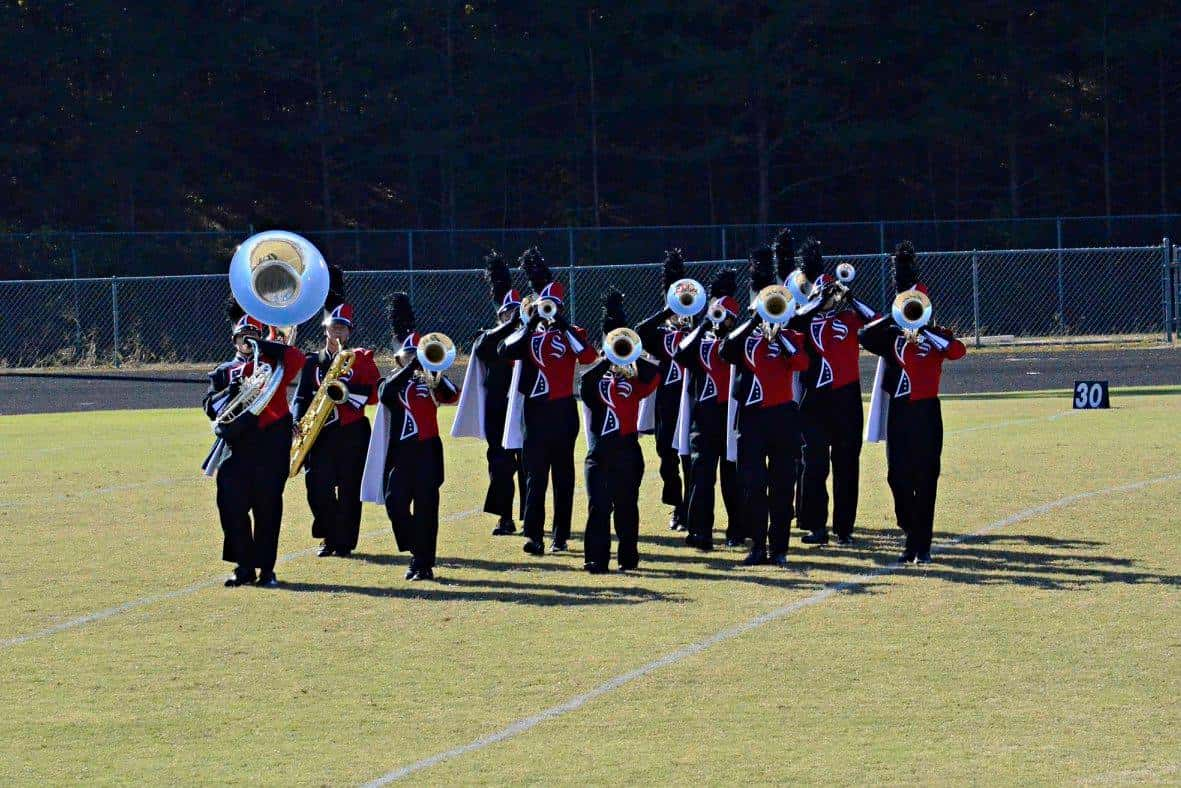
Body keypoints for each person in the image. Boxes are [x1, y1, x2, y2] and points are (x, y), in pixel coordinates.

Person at [858, 242, 966, 564]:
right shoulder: (892, 340)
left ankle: (921, 545)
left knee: (927, 478)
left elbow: (958, 350)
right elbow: (864, 336)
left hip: (928, 413)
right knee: (897, 476)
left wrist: (927, 331)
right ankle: (910, 527)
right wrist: (893, 321)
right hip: (901, 412)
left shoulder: (937, 338)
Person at [497, 248, 597, 557]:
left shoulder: (573, 333)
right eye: (545, 305)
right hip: (536, 412)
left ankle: (560, 535)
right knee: (535, 475)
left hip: (564, 409)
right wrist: (530, 322)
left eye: (553, 305)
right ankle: (534, 535)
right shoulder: (527, 334)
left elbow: (588, 356)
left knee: (563, 476)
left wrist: (562, 323)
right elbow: (504, 351)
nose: (548, 309)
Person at [201, 298, 306, 588]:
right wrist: (229, 393)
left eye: (252, 336)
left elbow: (297, 358)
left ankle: (266, 570)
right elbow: (209, 406)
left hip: (272, 441)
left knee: (268, 507)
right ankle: (243, 565)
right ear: (233, 339)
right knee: (230, 503)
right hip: (238, 444)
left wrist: (266, 346)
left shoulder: (277, 362)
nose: (246, 341)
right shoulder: (223, 371)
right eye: (242, 336)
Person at [720, 247, 809, 566]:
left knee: (782, 486)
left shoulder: (793, 337)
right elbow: (724, 351)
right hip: (753, 418)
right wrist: (754, 321)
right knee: (753, 485)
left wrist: (780, 335)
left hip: (783, 417)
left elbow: (801, 362)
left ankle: (779, 548)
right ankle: (757, 546)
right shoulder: (745, 339)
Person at [362, 293, 460, 581]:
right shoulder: (391, 381)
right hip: (402, 453)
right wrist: (409, 367)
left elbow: (452, 396)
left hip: (428, 451)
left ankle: (422, 563)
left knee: (427, 507)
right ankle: (416, 548)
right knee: (395, 501)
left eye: (416, 354)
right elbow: (384, 394)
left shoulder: (430, 379)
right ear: (399, 357)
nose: (414, 359)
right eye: (409, 355)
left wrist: (434, 371)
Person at [788, 238, 878, 546]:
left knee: (846, 464)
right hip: (815, 400)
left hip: (847, 398)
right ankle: (816, 526)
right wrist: (818, 299)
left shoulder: (849, 318)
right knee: (814, 464)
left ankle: (844, 528)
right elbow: (793, 319)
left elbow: (876, 321)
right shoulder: (804, 320)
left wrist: (849, 298)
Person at [292, 268, 380, 558]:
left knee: (349, 489)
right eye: (333, 327)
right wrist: (295, 420)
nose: (337, 333)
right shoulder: (312, 362)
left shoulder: (361, 358)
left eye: (343, 328)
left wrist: (346, 385)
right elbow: (302, 395)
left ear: (349, 331)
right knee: (317, 486)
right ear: (325, 328)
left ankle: (342, 543)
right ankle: (328, 533)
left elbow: (373, 392)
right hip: (319, 433)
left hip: (352, 432)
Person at [580, 290, 661, 573]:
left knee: (627, 507)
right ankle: (595, 559)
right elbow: (585, 386)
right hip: (600, 452)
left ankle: (628, 558)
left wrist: (632, 355)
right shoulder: (594, 378)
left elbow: (654, 375)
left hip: (627, 449)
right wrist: (607, 358)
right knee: (598, 506)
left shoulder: (634, 378)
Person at [451, 250, 526, 535]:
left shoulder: (531, 335)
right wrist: (509, 325)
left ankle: (531, 516)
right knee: (501, 462)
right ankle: (504, 516)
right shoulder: (490, 337)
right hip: (498, 408)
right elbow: (483, 348)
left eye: (517, 312)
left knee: (529, 463)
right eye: (509, 312)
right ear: (501, 314)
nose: (514, 316)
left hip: (523, 405)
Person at [673, 267, 744, 552]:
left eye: (724, 315)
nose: (720, 319)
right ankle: (700, 531)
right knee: (701, 475)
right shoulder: (700, 340)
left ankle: (737, 529)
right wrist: (703, 326)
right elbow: (680, 354)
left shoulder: (739, 340)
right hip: (704, 416)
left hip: (732, 416)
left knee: (733, 476)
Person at [634, 249, 692, 532]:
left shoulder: (699, 329)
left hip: (692, 400)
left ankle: (690, 508)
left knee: (689, 455)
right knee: (666, 455)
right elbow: (639, 331)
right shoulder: (660, 335)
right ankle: (676, 505)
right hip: (666, 402)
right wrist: (669, 309)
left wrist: (693, 315)